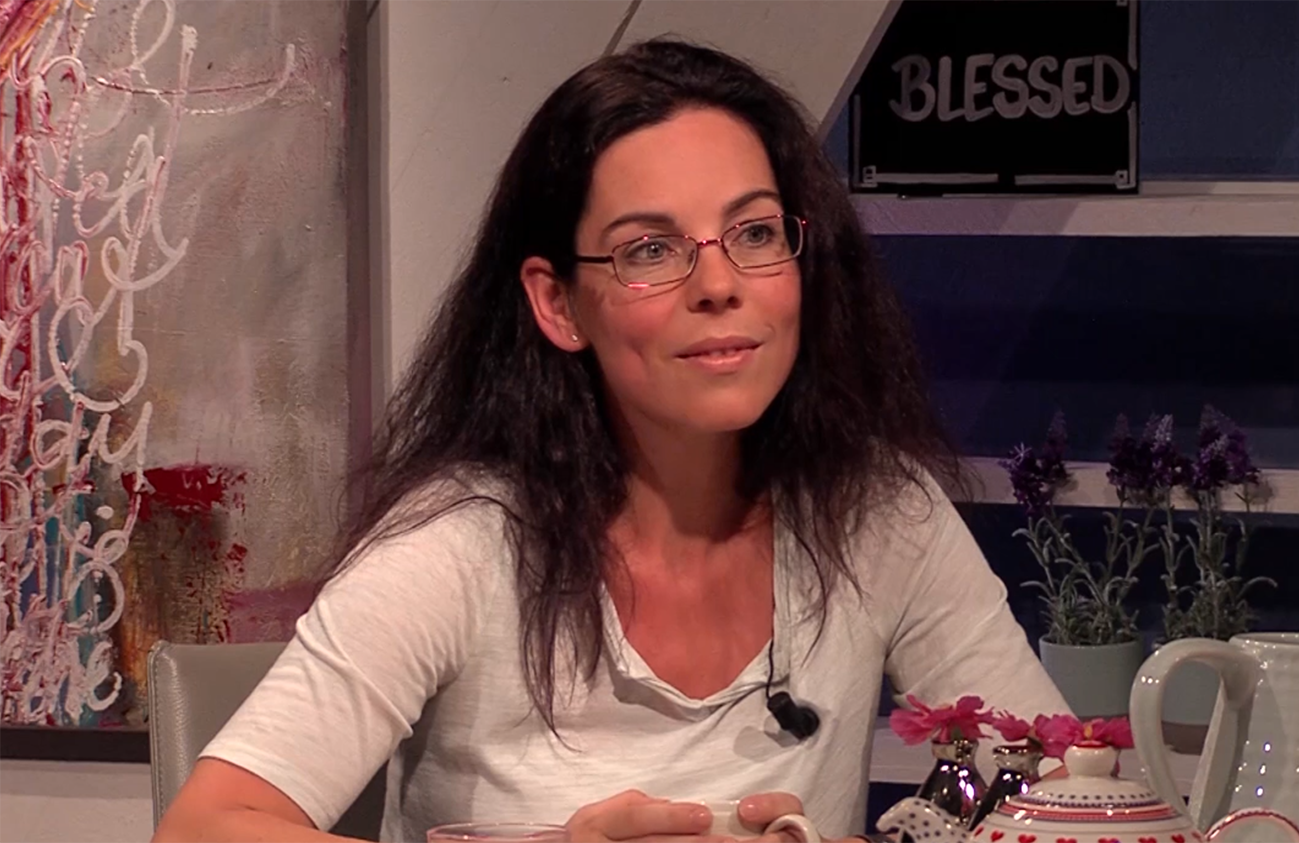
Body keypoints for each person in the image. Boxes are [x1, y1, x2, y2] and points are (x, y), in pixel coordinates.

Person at [150, 37, 1069, 843]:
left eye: (754, 232)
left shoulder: (879, 512)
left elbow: (1056, 790)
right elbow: (203, 828)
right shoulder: (458, 544)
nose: (719, 284)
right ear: (558, 304)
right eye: (650, 250)